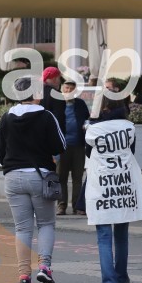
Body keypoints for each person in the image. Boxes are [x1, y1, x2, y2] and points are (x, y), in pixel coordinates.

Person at [0, 76, 66, 283]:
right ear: (37, 94)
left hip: (13, 176)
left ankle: (23, 275)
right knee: (45, 224)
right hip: (40, 176)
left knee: (22, 228)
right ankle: (44, 267)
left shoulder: (6, 117)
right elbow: (60, 146)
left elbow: (0, 151)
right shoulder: (46, 116)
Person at [85, 114, 142, 283]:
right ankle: (120, 278)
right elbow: (131, 151)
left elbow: (88, 153)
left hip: (102, 188)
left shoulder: (93, 131)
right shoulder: (129, 127)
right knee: (121, 236)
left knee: (104, 238)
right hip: (122, 186)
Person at [58, 80, 89, 215]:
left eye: (71, 89)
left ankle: (77, 205)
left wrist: (86, 124)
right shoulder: (58, 104)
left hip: (78, 145)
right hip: (61, 146)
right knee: (61, 177)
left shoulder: (80, 104)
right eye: (66, 88)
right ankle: (61, 205)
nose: (68, 91)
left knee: (77, 177)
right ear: (61, 89)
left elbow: (88, 119)